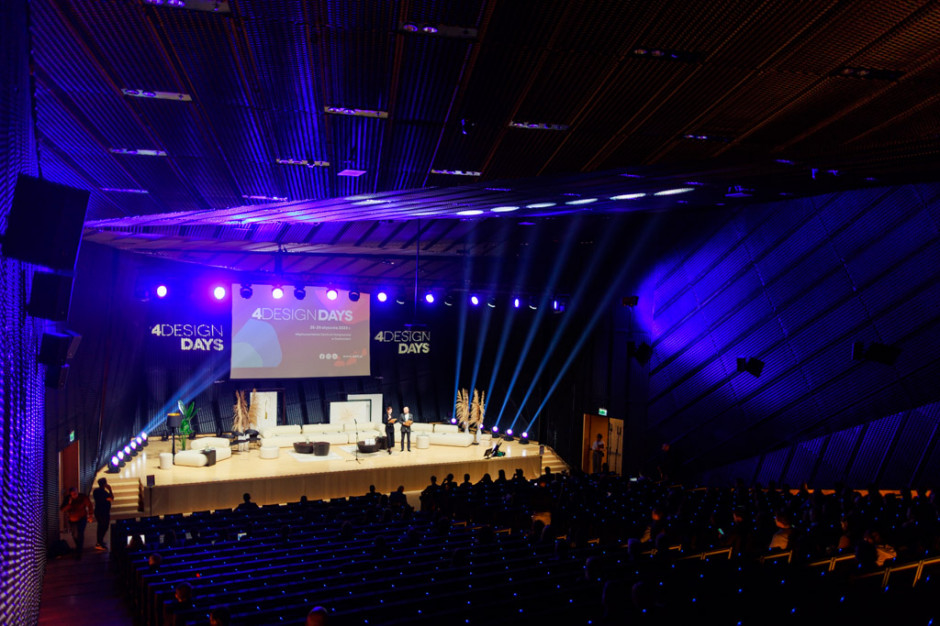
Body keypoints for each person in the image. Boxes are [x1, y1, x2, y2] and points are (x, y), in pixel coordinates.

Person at [60, 487, 94, 558]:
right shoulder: (68, 499)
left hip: (82, 518)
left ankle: (79, 551)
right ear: (70, 494)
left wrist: (90, 515)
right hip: (72, 520)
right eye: (73, 494)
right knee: (74, 534)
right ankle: (78, 547)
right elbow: (62, 509)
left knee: (80, 533)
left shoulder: (83, 497)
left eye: (75, 493)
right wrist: (69, 504)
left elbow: (89, 505)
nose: (75, 495)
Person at [92, 477, 113, 550]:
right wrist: (110, 490)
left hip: (98, 511)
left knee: (101, 527)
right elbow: (111, 498)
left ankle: (100, 541)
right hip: (103, 512)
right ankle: (99, 543)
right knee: (103, 527)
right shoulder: (104, 492)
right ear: (104, 484)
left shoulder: (96, 491)